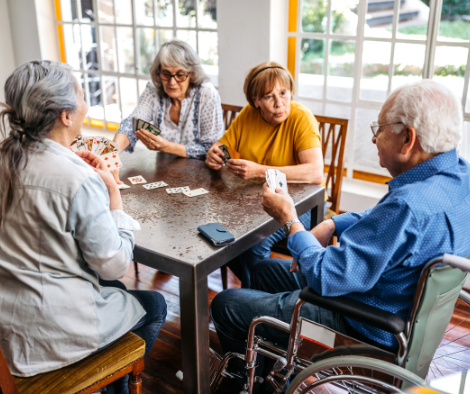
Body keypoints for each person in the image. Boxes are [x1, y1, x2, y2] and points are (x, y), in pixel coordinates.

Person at [211, 79, 470, 393]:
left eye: (381, 128)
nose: (374, 137)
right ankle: (265, 366)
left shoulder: (408, 206)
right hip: (400, 311)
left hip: (359, 323)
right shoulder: (458, 176)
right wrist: (333, 224)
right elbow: (388, 225)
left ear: (407, 140)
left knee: (226, 304)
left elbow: (323, 274)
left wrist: (291, 220)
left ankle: (247, 379)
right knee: (264, 270)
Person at [0, 61, 167, 394]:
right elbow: (116, 264)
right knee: (154, 305)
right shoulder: (76, 179)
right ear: (66, 114)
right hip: (55, 335)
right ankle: (109, 385)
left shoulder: (7, 156)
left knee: (112, 292)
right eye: (80, 91)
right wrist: (113, 193)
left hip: (10, 326)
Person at [205, 61, 324, 288]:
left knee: (254, 242)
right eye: (269, 97)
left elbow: (315, 173)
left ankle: (252, 297)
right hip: (254, 201)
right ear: (256, 101)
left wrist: (259, 171)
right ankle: (257, 290)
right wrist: (215, 154)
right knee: (218, 234)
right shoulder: (248, 114)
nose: (279, 104)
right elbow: (223, 147)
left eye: (283, 93)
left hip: (303, 203)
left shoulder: (301, 117)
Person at [113, 39, 224, 182]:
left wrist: (166, 146)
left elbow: (211, 150)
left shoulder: (207, 93)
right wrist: (112, 154)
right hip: (164, 173)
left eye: (180, 75)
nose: (172, 82)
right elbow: (133, 123)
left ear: (191, 74)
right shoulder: (153, 88)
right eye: (166, 74)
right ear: (158, 72)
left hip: (203, 177)